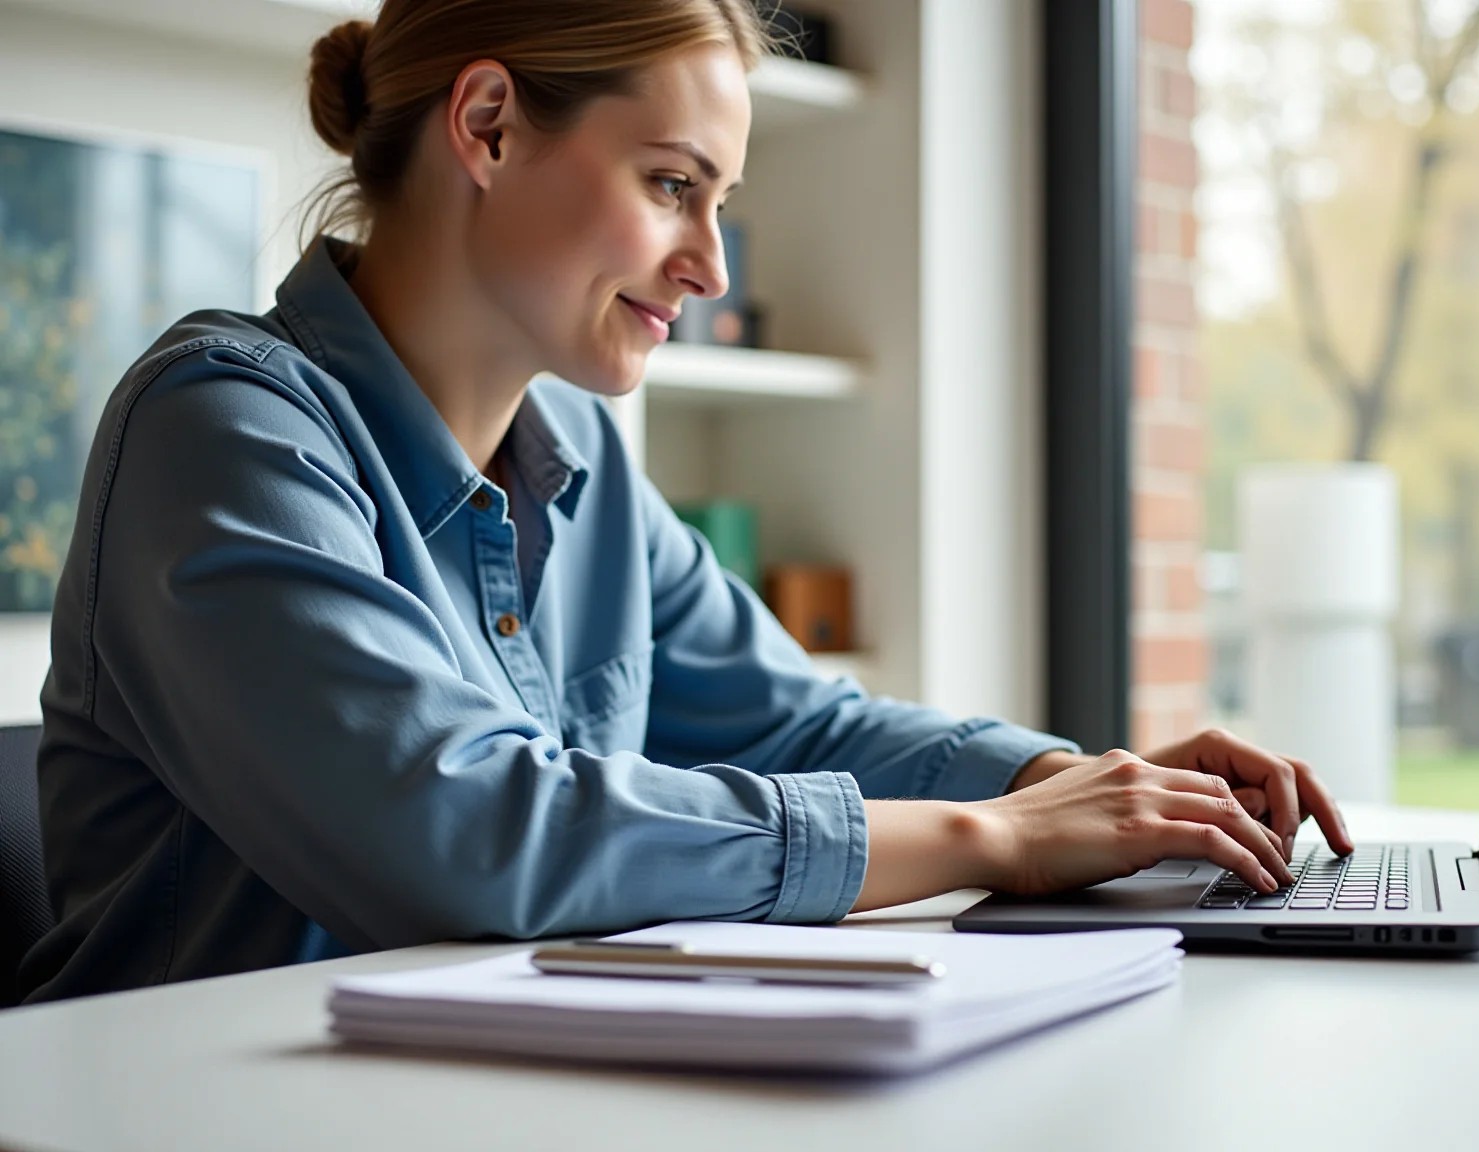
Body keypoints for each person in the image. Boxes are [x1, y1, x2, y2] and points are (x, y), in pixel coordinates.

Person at [20, 0, 1351, 1005]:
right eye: (671, 185)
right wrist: (995, 836)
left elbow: (795, 720)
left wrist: (1072, 782)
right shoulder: (225, 426)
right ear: (485, 126)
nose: (708, 265)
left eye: (718, 203)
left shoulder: (584, 471)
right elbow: (464, 830)